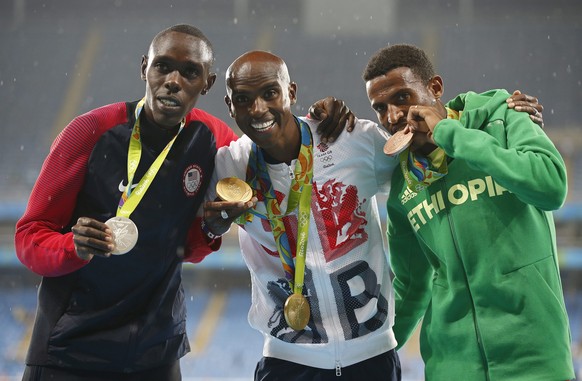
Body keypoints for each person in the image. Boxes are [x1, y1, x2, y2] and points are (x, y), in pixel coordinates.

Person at [362, 43, 574, 380]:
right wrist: (366, 358)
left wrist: (449, 134)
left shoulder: (503, 119)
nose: (392, 116)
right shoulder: (404, 187)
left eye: (402, 97)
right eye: (380, 108)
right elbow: (411, 288)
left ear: (435, 88)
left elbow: (550, 186)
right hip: (450, 368)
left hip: (534, 361)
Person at [202, 50, 401, 380]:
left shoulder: (351, 139)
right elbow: (200, 229)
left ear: (291, 92)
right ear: (229, 106)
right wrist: (217, 222)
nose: (258, 109)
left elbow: (423, 163)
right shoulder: (228, 167)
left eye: (270, 93)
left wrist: (484, 116)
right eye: (243, 99)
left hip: (373, 356)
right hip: (287, 361)